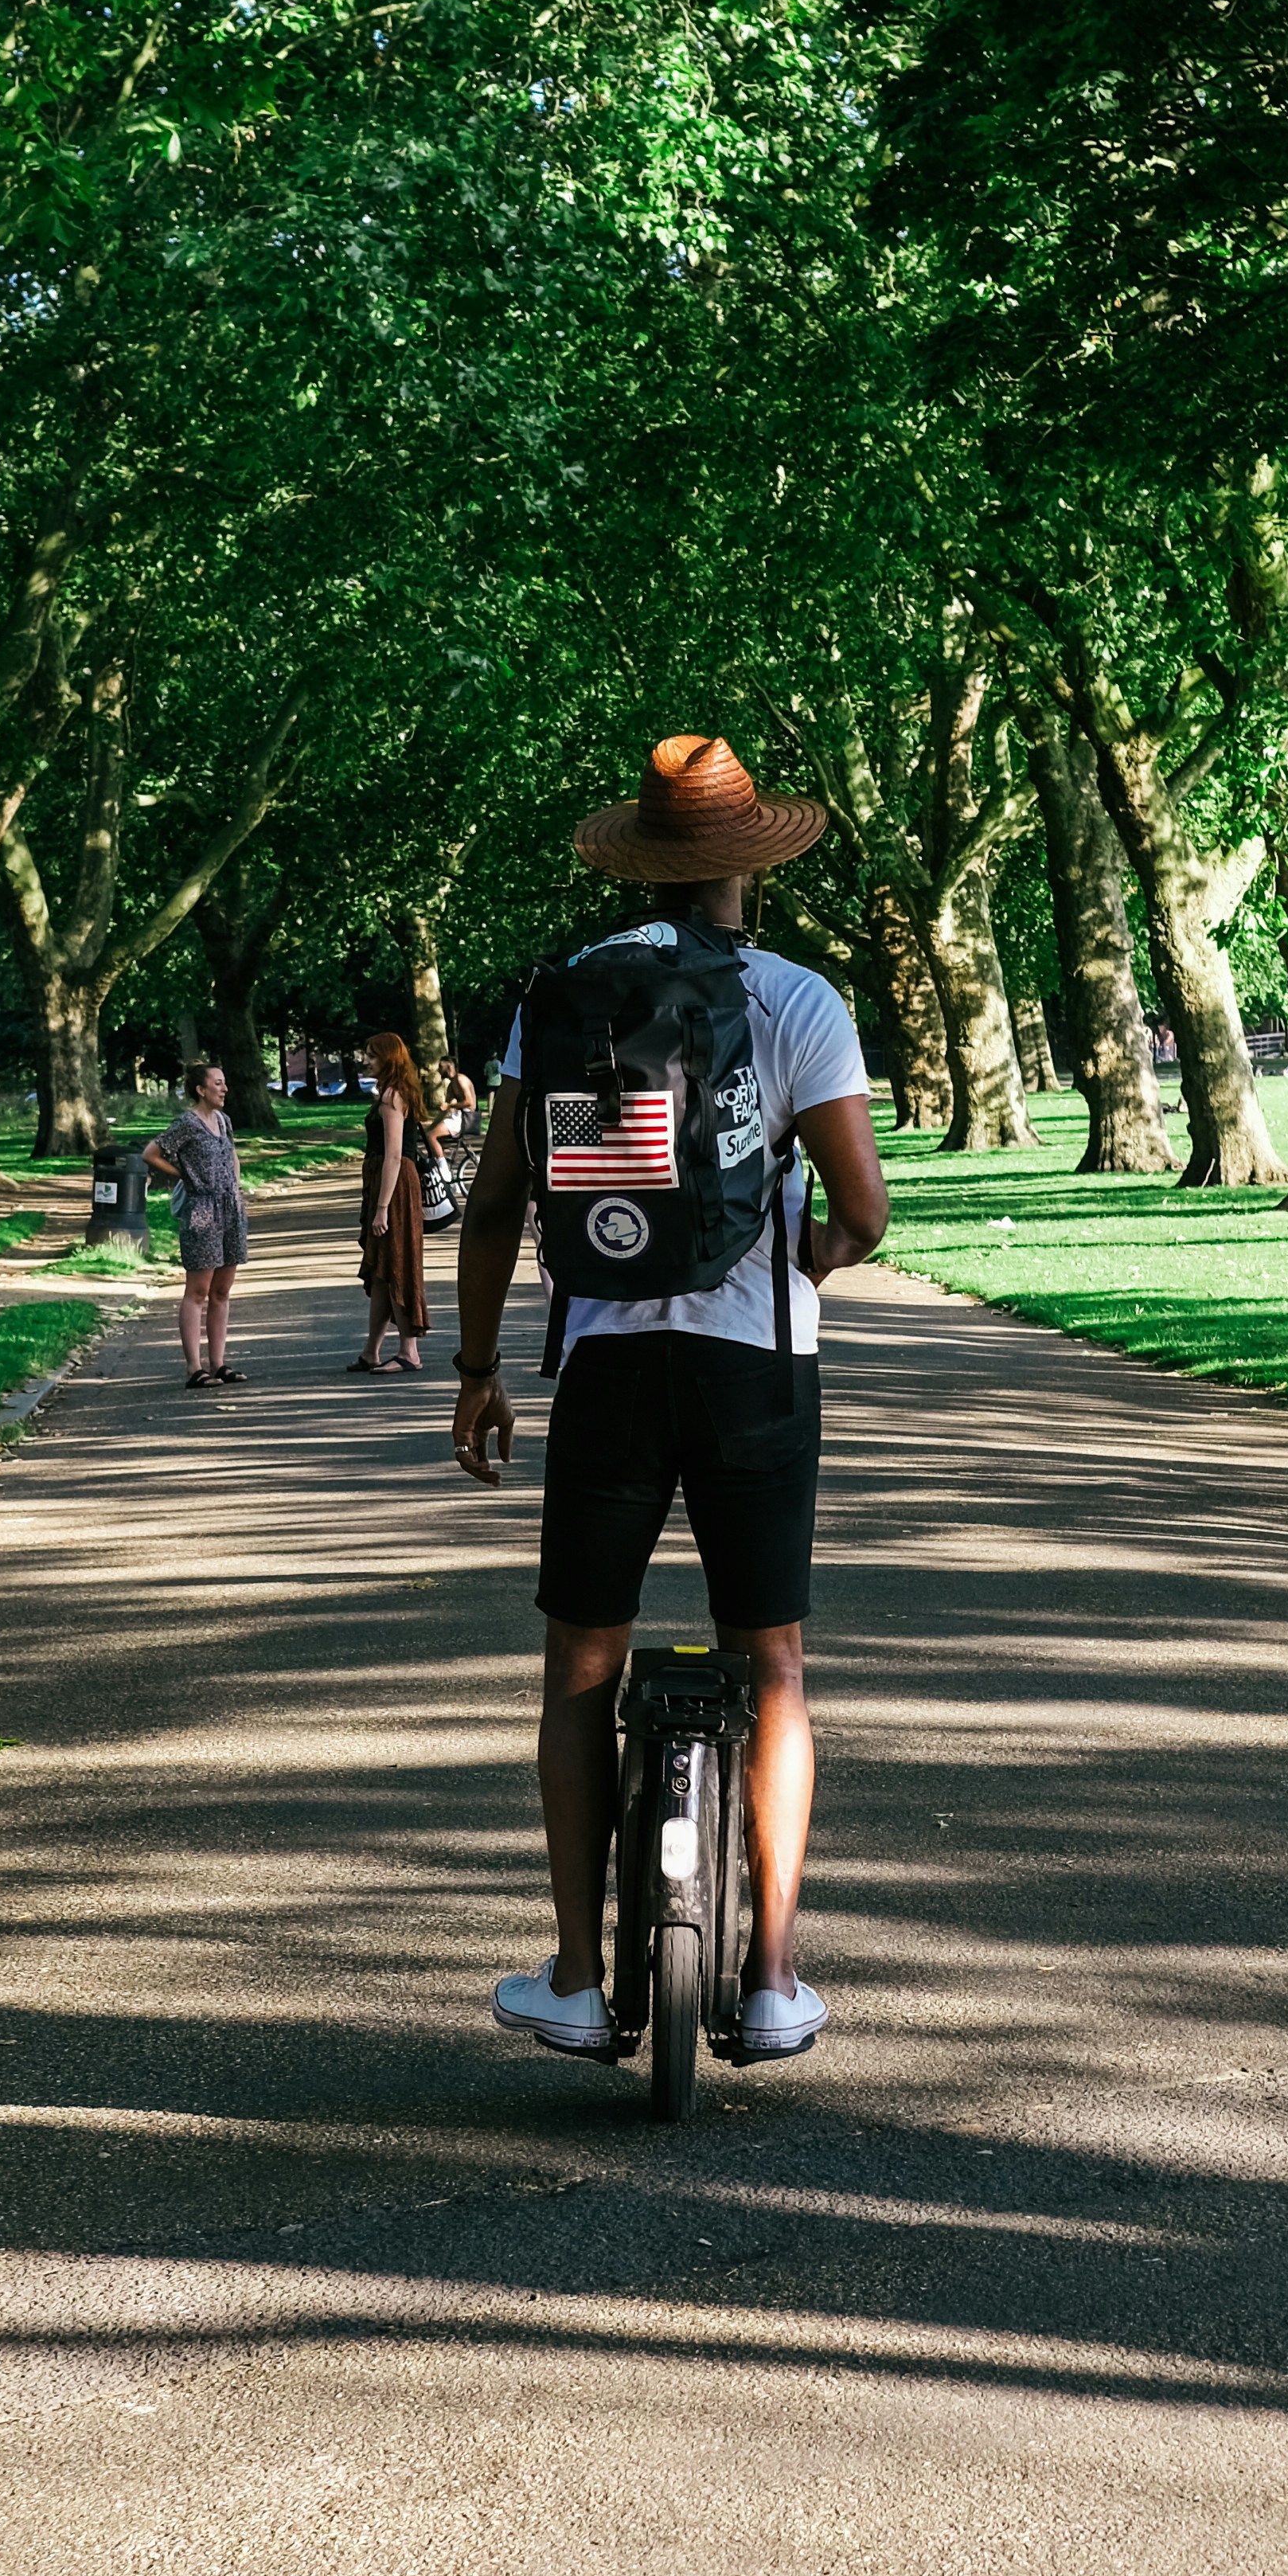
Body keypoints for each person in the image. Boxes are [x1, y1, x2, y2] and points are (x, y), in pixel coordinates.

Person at [451, 730, 892, 2062]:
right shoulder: (800, 1001)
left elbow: (498, 1204)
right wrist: (810, 1254)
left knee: (582, 1665)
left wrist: (477, 1369)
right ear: (755, 863)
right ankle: (771, 1982)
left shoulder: (571, 999)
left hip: (607, 1369)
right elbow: (863, 1211)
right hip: (757, 1367)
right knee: (776, 1663)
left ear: (640, 866)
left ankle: (579, 1979)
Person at [142, 1062, 251, 1389]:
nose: (224, 1088)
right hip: (202, 1210)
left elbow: (232, 1155)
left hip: (230, 1209)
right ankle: (194, 1368)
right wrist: (185, 1175)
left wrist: (236, 1186)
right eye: (218, 1083)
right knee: (198, 1291)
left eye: (224, 1082)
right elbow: (151, 1153)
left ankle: (218, 1364)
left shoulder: (223, 1120)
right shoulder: (187, 1124)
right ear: (201, 1090)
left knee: (222, 1291)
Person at [353, 1032, 440, 1374]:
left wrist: (382, 1208)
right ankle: (371, 1351)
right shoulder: (392, 1092)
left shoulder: (392, 1096)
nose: (367, 1061)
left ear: (389, 1059)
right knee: (381, 1270)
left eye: (373, 1056)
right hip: (387, 1184)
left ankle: (409, 1352)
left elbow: (393, 1155)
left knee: (398, 1264)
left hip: (395, 1187)